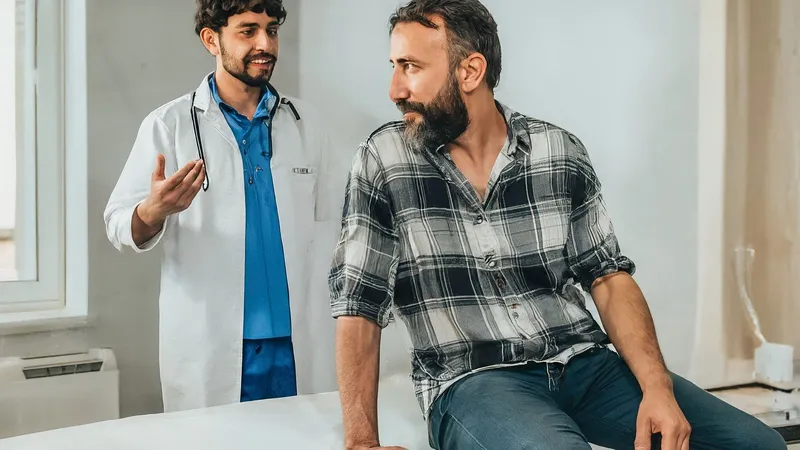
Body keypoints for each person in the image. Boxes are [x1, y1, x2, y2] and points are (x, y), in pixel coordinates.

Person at [328, 1, 787, 449]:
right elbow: (358, 306)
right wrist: (362, 444)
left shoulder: (557, 151)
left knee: (755, 442)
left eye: (409, 66)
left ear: (469, 71)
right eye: (394, 65)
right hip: (474, 380)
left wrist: (657, 389)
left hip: (584, 364)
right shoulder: (384, 161)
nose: (394, 89)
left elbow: (608, 277)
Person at [104, 0, 343, 412]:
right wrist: (152, 212)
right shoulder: (170, 125)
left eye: (272, 29)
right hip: (212, 345)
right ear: (211, 39)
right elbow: (118, 223)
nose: (265, 43)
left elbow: (339, 224)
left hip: (297, 341)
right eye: (248, 31)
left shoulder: (308, 124)